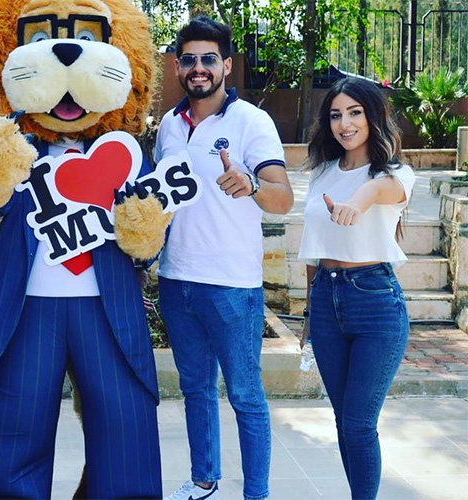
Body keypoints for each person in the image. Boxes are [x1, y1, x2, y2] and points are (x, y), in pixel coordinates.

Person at [156, 16, 294, 500]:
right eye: (189, 59)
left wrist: (251, 184)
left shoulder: (251, 121)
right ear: (178, 66)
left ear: (227, 66)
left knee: (245, 396)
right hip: (176, 279)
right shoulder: (168, 126)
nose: (198, 68)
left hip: (232, 285)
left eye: (209, 59)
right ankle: (203, 480)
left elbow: (283, 197)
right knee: (195, 389)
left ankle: (256, 493)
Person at [297, 77, 414, 500]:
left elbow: (378, 189)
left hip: (375, 303)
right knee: (343, 421)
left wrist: (356, 203)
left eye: (354, 113)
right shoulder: (322, 173)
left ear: (373, 116)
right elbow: (314, 252)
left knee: (360, 424)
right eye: (335, 115)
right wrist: (309, 315)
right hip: (326, 302)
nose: (344, 124)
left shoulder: (395, 174)